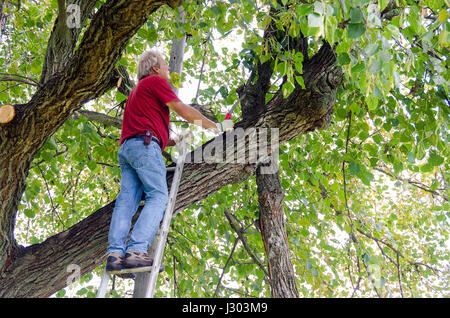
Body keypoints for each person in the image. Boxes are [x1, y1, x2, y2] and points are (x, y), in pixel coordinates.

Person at [106, 49, 233, 271]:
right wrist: (217, 126)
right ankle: (136, 251)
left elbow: (145, 130)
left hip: (129, 149)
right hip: (145, 146)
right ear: (155, 69)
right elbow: (182, 109)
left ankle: (115, 254)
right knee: (158, 196)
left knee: (127, 202)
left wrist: (174, 140)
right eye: (165, 65)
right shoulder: (155, 82)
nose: (167, 69)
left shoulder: (137, 92)